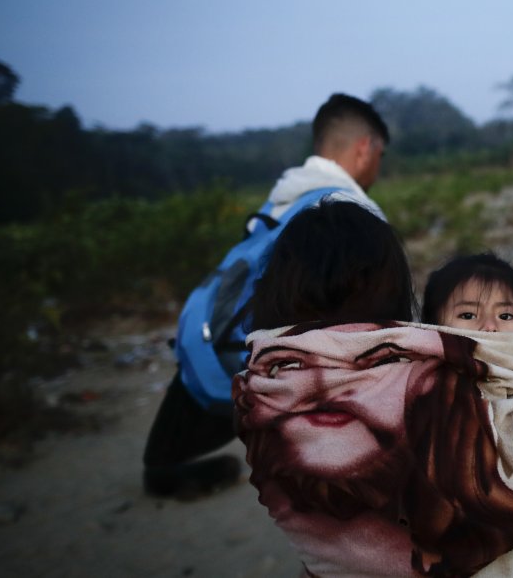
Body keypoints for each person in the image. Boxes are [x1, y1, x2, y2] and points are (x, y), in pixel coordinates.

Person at [236, 221, 513, 577]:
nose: (489, 327)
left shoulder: (256, 395)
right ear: (391, 284)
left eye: (505, 315)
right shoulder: (429, 384)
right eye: (468, 315)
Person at [142, 92, 391, 498]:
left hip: (207, 360)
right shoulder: (349, 208)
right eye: (380, 155)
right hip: (271, 373)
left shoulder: (283, 198)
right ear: (366, 148)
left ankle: (165, 465)